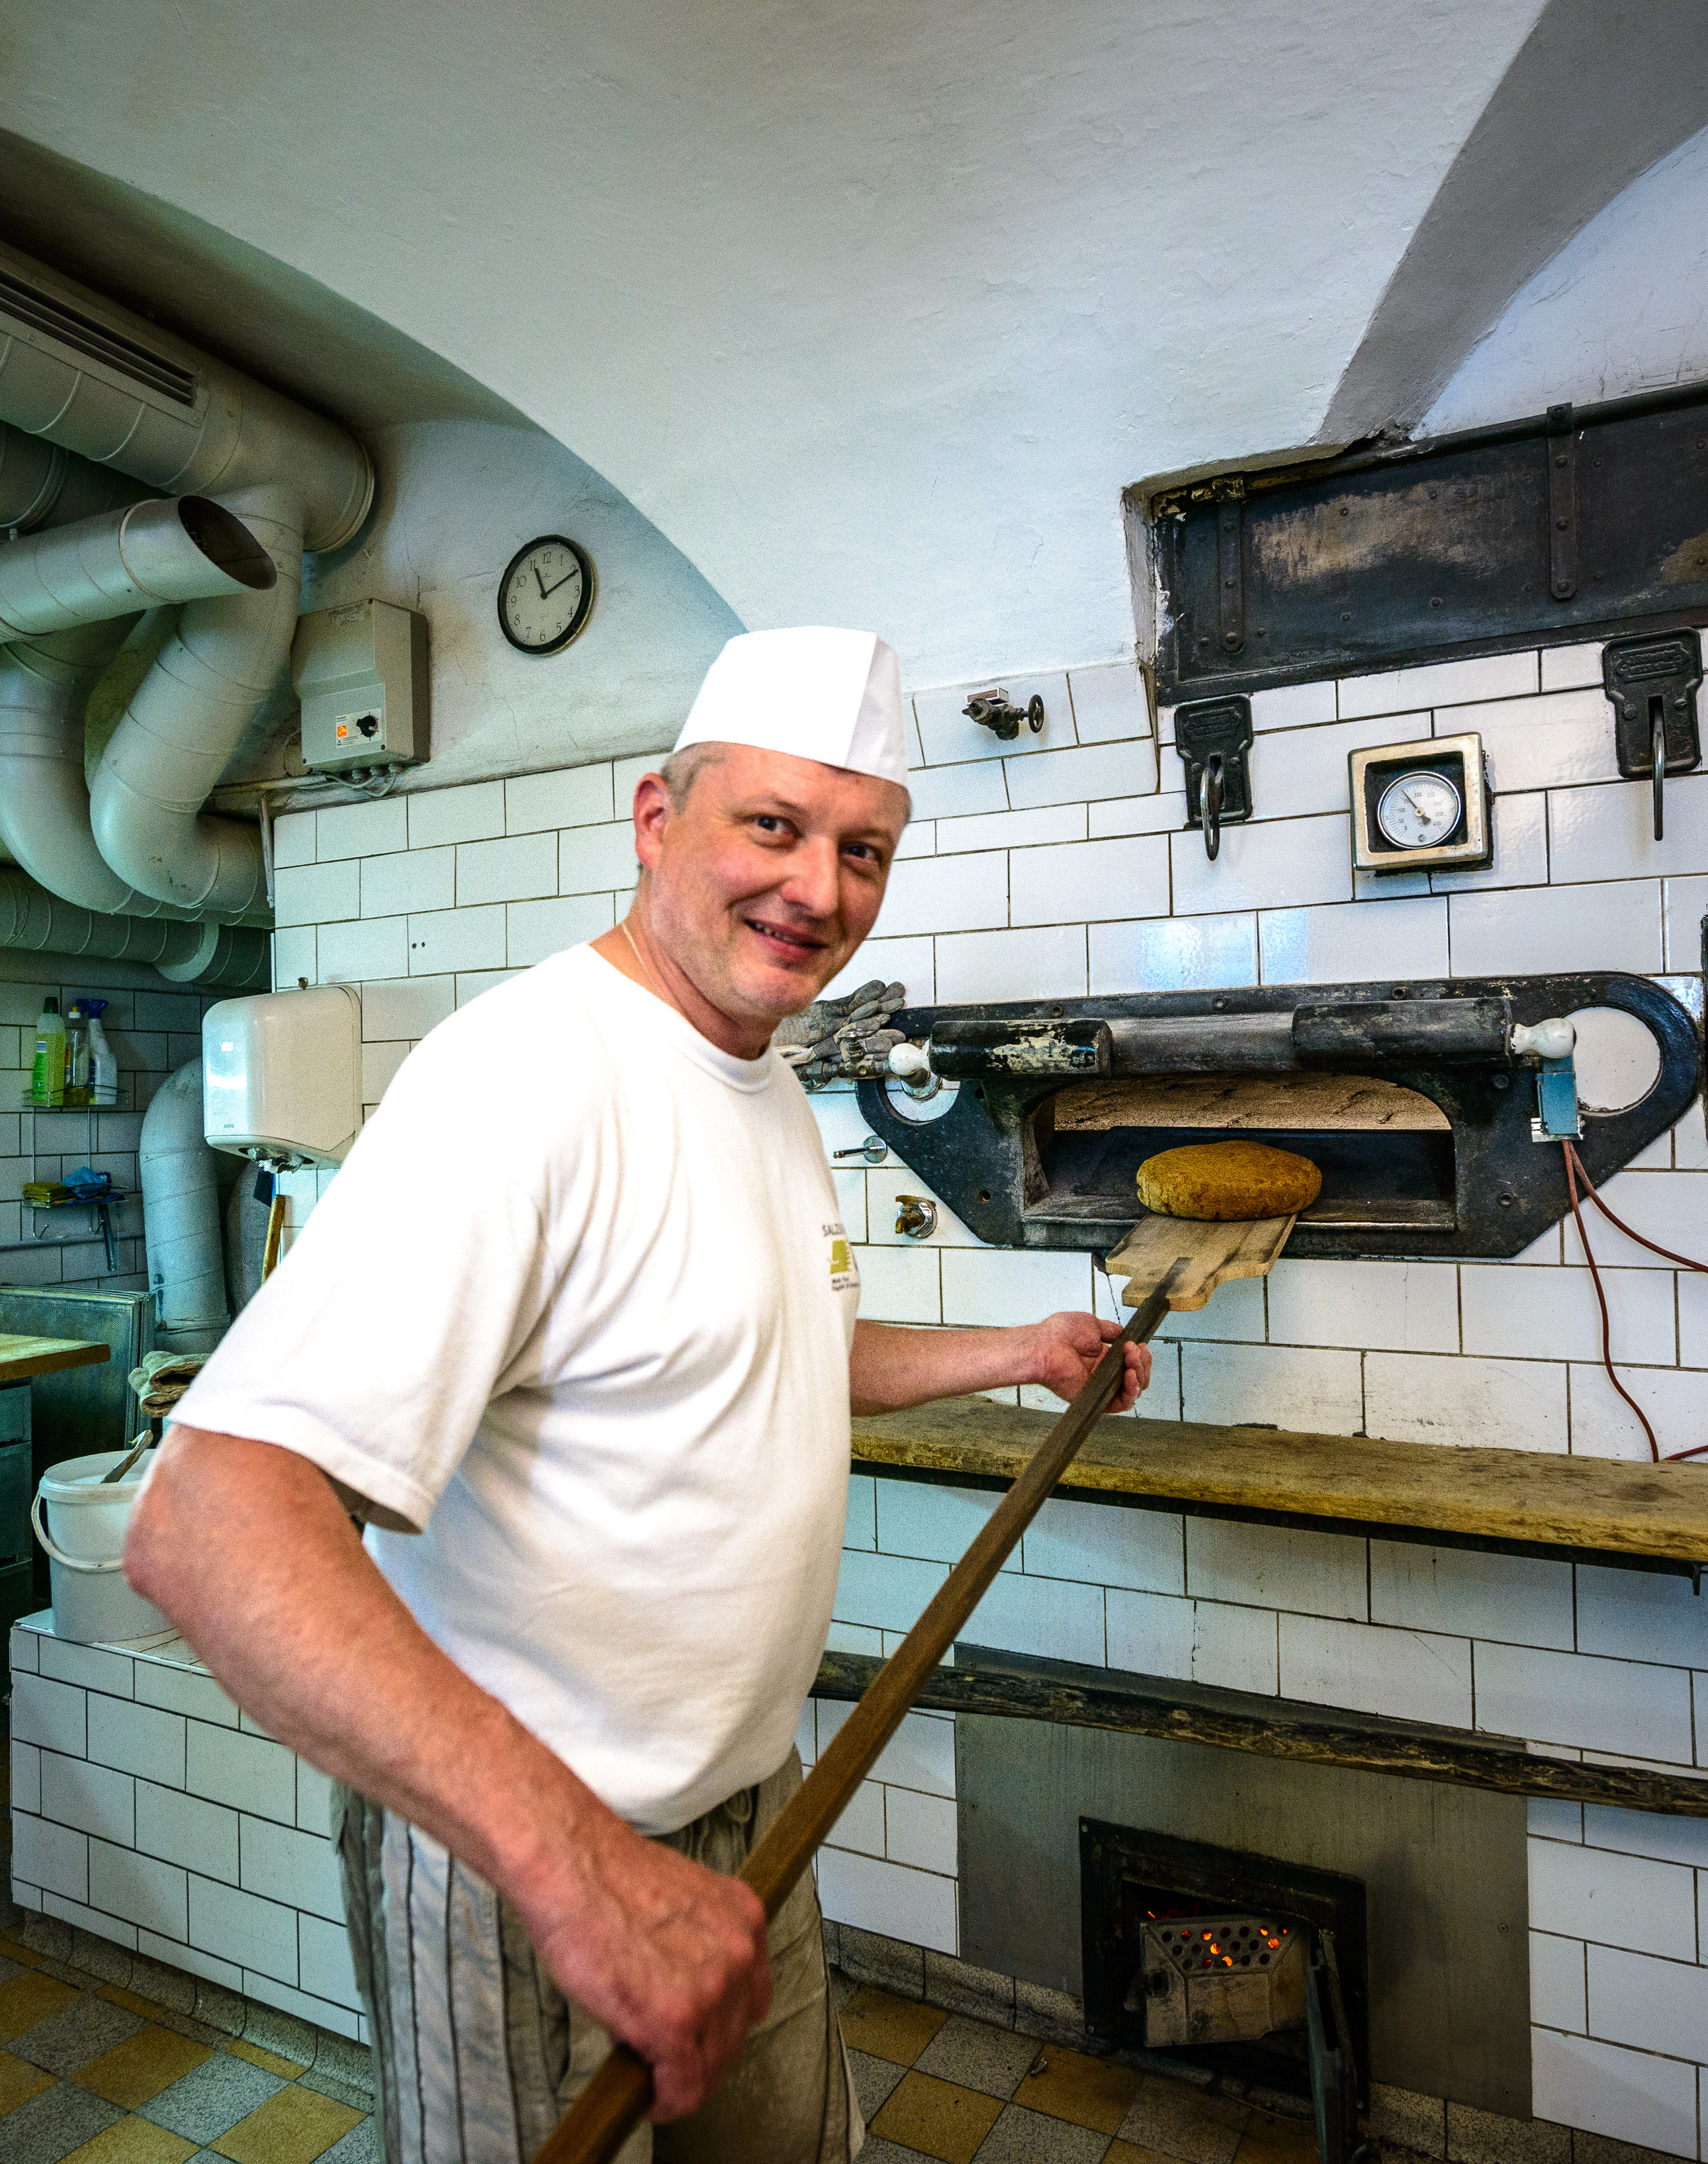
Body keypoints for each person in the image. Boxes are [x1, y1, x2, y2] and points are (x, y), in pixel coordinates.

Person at [127, 627, 1153, 2163]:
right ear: (655, 821)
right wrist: (575, 1869)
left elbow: (753, 1353)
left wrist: (1012, 1359)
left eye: (862, 850)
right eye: (774, 827)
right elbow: (208, 1518)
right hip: (521, 1848)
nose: (820, 888)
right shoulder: (523, 1079)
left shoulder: (758, 1078)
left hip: (749, 1812)